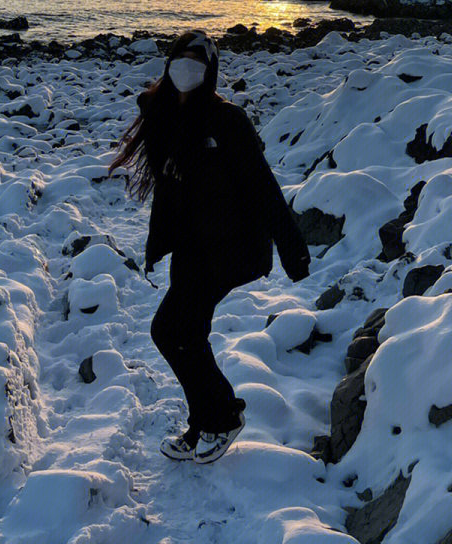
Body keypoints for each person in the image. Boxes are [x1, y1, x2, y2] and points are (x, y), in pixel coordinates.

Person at [108, 28, 311, 464]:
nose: (187, 69)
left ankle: (224, 415)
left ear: (210, 71)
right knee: (188, 334)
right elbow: (169, 188)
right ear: (169, 63)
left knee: (168, 330)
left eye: (198, 62)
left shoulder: (227, 120)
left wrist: (292, 248)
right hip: (191, 246)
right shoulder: (164, 114)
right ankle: (203, 423)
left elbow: (263, 186)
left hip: (231, 248)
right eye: (182, 58)